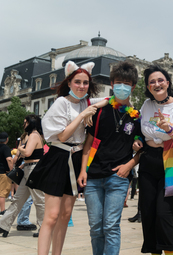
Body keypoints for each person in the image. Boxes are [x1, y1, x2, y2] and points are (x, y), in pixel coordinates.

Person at [26, 61, 107, 255]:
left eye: (85, 82)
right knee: (52, 216)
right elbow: (62, 136)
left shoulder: (85, 103)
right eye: (77, 82)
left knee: (65, 215)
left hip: (76, 158)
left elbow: (108, 99)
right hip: (59, 157)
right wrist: (83, 116)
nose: (81, 86)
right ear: (69, 83)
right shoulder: (62, 103)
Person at [78, 61, 142, 255]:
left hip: (119, 178)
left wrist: (129, 165)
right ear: (112, 84)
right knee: (96, 227)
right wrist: (83, 170)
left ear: (133, 86)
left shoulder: (137, 117)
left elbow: (143, 149)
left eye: (127, 83)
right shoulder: (99, 111)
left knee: (111, 226)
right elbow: (88, 144)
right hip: (94, 177)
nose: (122, 86)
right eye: (118, 82)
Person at [133, 65, 173, 255]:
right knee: (149, 214)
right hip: (149, 161)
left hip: (172, 161)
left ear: (168, 83)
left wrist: (169, 130)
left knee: (164, 214)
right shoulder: (146, 105)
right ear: (148, 87)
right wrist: (137, 141)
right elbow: (140, 132)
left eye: (160, 80)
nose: (157, 84)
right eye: (152, 82)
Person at [0, 115, 45, 238]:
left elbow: (28, 152)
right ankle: (3, 225)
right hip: (29, 168)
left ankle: (44, 229)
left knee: (39, 201)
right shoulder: (32, 136)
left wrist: (20, 148)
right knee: (17, 199)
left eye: (25, 122)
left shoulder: (34, 135)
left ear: (32, 123)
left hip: (33, 169)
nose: (23, 124)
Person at [0, 132, 13, 215]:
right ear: (7, 139)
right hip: (3, 172)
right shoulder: (6, 148)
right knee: (2, 192)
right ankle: (2, 210)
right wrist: (11, 170)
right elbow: (9, 159)